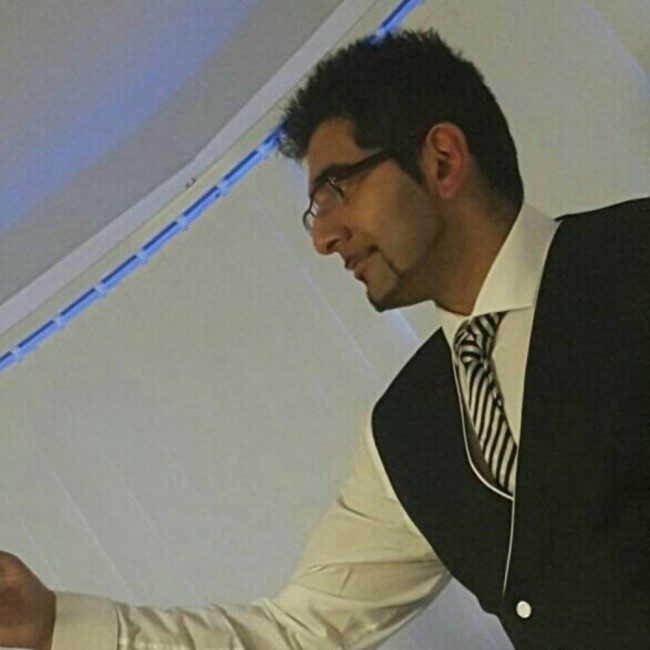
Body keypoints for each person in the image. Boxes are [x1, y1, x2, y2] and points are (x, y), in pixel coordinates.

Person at [0, 29, 648, 650]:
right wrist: (55, 626)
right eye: (315, 208)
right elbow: (299, 633)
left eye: (337, 189)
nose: (322, 236)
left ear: (442, 159)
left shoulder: (633, 253)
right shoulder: (405, 432)